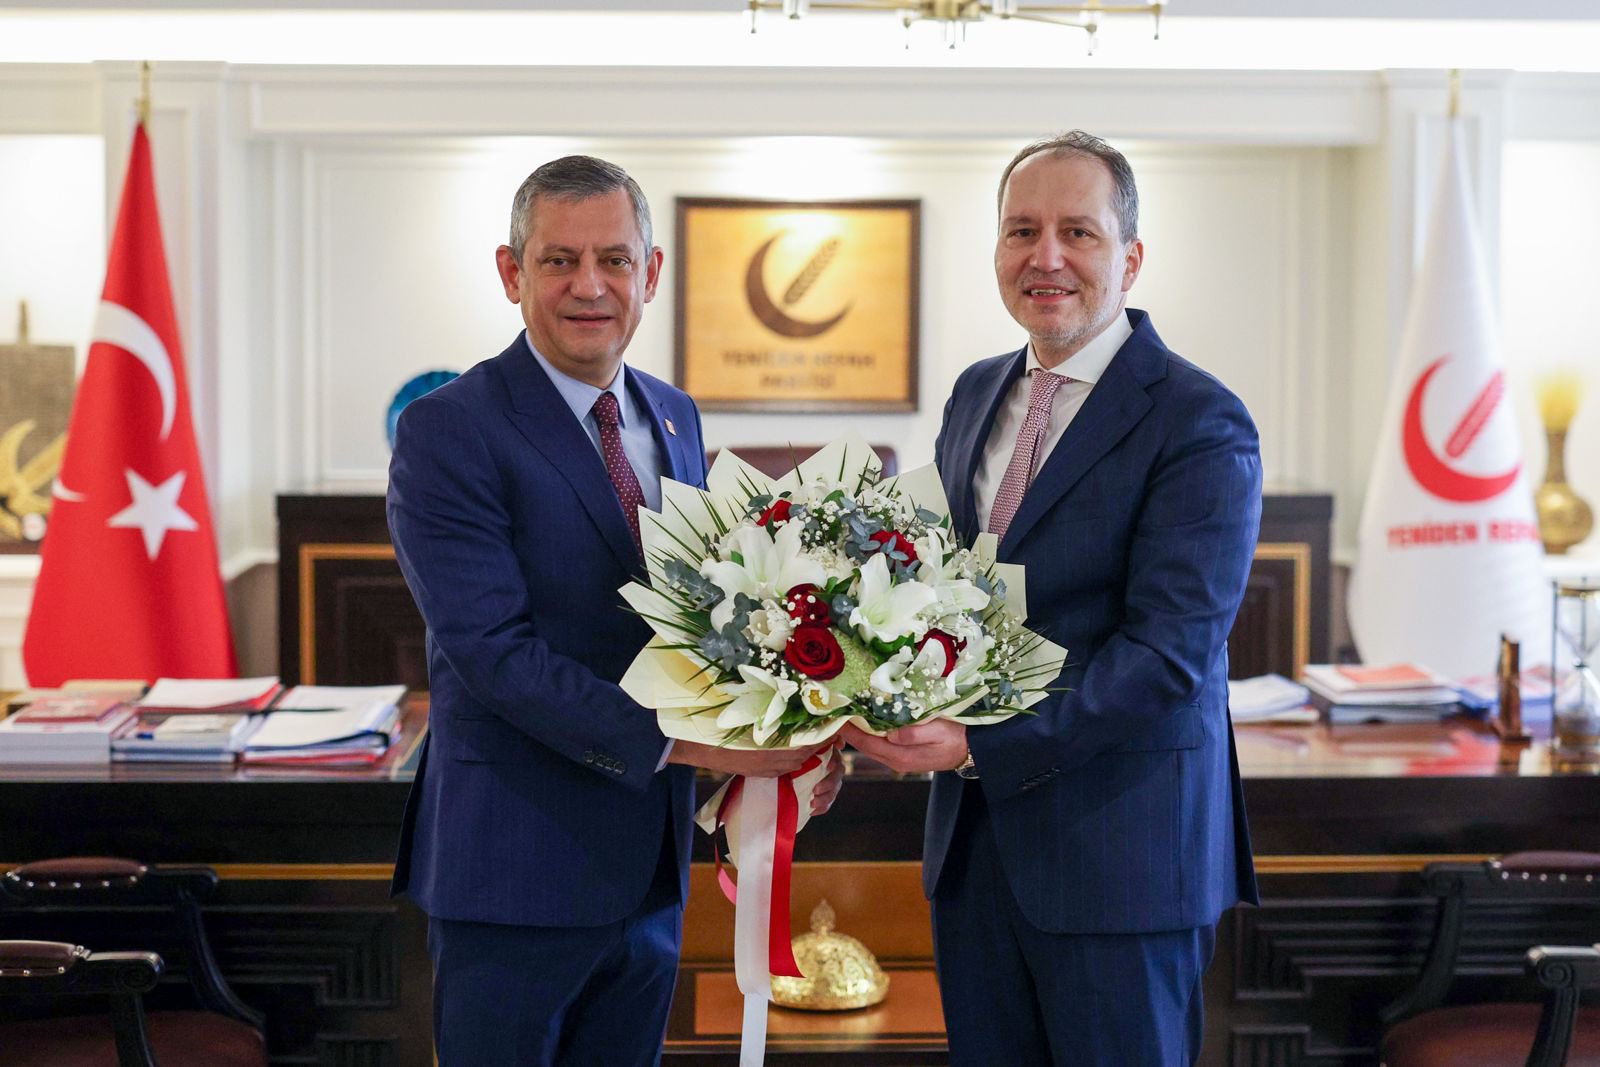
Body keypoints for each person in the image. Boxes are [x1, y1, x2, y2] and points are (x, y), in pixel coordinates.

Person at [387, 154, 842, 1066]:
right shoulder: (449, 428)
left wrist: (780, 752)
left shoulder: (674, 415)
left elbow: (698, 627)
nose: (589, 286)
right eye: (558, 260)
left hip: (648, 868)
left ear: (652, 272)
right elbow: (496, 654)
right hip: (514, 871)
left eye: (614, 260)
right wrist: (702, 747)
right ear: (512, 272)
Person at [843, 131, 1262, 1065]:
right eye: (1022, 230)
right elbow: (936, 601)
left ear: (1131, 257)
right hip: (975, 855)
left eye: (1079, 231)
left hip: (1122, 860)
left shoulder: (1199, 418)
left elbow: (1167, 658)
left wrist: (978, 744)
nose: (1047, 257)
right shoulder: (975, 393)